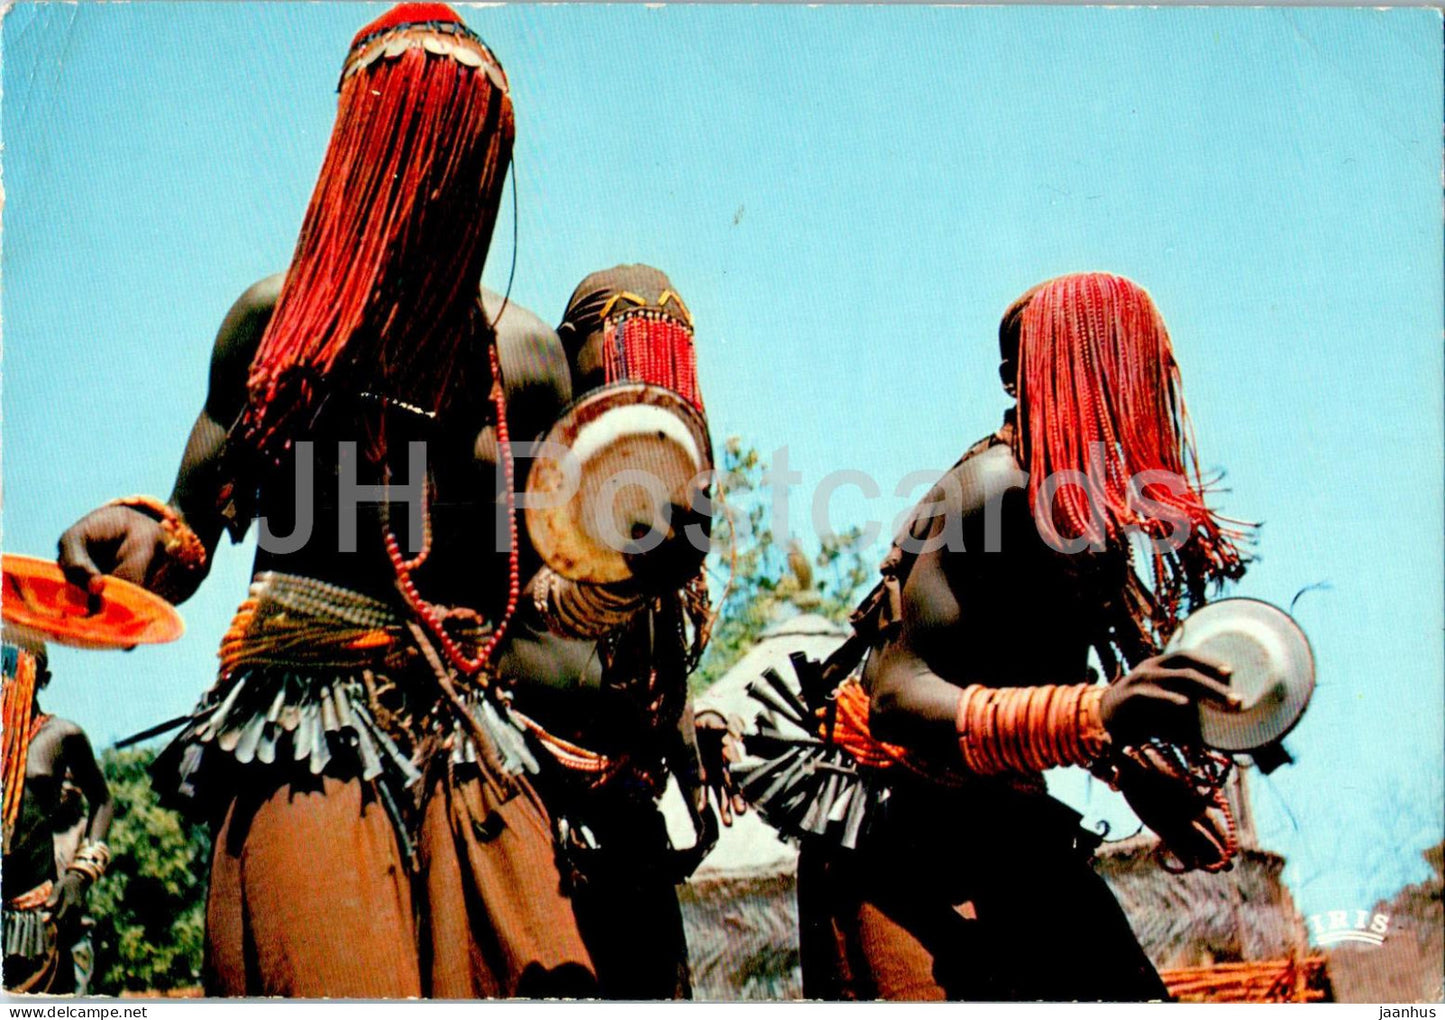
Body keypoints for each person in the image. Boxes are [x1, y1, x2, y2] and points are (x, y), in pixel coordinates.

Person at [54, 4, 635, 997]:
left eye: (465, 151)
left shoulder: (524, 361)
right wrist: (137, 543)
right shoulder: (269, 327)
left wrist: (632, 582)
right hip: (303, 722)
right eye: (418, 143)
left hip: (470, 726)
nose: (440, 184)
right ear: (363, 156)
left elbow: (550, 592)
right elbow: (189, 543)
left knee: (552, 985)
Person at [786, 272, 1251, 1001]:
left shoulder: (1094, 528)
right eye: (1119, 362)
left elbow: (1029, 678)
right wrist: (1093, 720)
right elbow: (897, 699)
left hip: (1004, 823)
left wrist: (1132, 772)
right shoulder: (994, 487)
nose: (1143, 388)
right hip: (893, 836)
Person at [495, 265, 717, 998]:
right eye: (604, 380)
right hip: (518, 809)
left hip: (629, 825)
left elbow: (659, 662)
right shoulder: (515, 474)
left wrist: (688, 765)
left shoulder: (659, 502)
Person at [2, 639, 114, 995]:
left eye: (16, 666)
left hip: (38, 917)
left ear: (43, 679)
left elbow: (104, 801)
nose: (7, 678)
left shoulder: (62, 735)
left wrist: (80, 875)